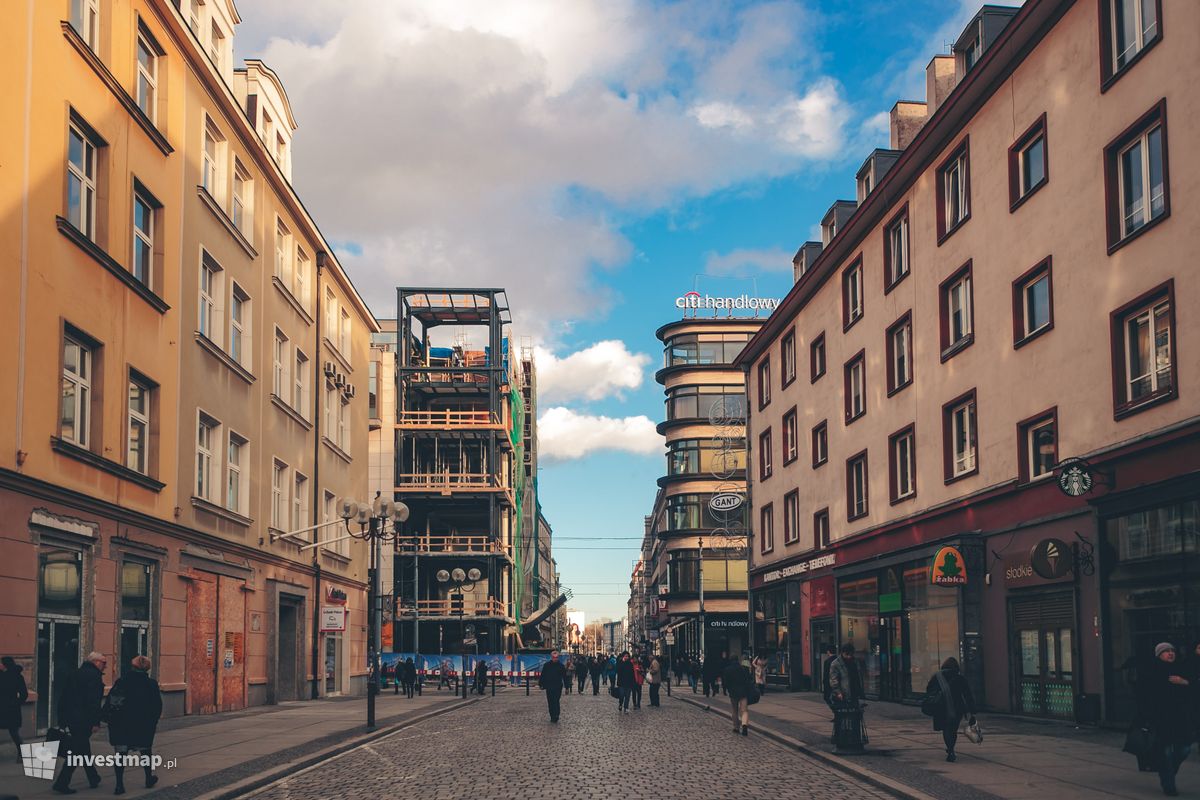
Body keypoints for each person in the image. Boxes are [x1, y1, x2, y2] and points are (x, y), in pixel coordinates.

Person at [1139, 642, 1192, 796]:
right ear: (1159, 655)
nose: (1170, 653)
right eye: (1166, 651)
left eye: (1172, 650)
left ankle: (1168, 772)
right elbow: (1144, 697)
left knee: (1184, 749)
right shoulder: (1151, 672)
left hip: (1180, 718)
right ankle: (1168, 784)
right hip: (1161, 720)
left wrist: (1184, 682)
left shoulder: (1181, 670)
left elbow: (1193, 691)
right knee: (1166, 753)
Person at [104, 655, 162, 794]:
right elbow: (157, 706)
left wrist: (108, 718)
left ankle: (119, 785)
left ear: (132, 666)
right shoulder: (151, 684)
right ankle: (148, 778)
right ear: (147, 668)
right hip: (143, 725)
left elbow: (112, 702)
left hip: (122, 724)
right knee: (146, 752)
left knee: (120, 754)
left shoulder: (122, 682)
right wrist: (153, 721)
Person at [52, 651, 107, 793]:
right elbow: (93, 702)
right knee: (77, 751)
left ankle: (93, 777)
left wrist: (62, 719)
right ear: (96, 662)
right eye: (104, 663)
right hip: (84, 720)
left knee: (83, 748)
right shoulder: (94, 677)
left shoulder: (75, 673)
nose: (105, 666)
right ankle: (62, 783)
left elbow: (64, 698)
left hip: (71, 718)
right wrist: (96, 722)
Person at [925, 657, 976, 762]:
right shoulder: (959, 678)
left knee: (946, 729)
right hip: (957, 708)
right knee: (953, 729)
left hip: (941, 707)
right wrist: (972, 710)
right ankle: (951, 748)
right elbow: (967, 695)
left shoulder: (937, 677)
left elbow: (929, 690)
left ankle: (950, 749)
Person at [0, 656, 28, 762]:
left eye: (1, 663)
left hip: (6, 708)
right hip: (11, 709)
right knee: (14, 733)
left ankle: (22, 754)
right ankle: (22, 755)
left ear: (5, 664)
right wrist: (16, 703)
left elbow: (23, 694)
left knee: (14, 733)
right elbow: (24, 695)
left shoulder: (5, 676)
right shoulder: (17, 676)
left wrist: (14, 704)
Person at [722, 656, 753, 736]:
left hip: (733, 692)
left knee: (734, 710)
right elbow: (748, 679)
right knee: (744, 710)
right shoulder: (743, 668)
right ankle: (744, 725)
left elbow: (725, 682)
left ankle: (736, 727)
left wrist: (727, 690)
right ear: (738, 660)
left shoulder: (727, 669)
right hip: (743, 692)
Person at [538, 650, 567, 723]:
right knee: (550, 702)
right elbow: (543, 675)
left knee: (556, 701)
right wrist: (541, 684)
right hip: (549, 686)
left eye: (556, 657)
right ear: (551, 657)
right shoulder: (547, 665)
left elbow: (565, 677)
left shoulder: (561, 666)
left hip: (557, 686)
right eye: (554, 657)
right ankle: (552, 715)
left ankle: (556, 715)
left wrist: (567, 687)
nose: (555, 659)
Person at [821, 644, 838, 712]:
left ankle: (835, 712)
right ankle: (837, 713)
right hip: (837, 682)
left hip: (829, 683)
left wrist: (824, 682)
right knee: (836, 699)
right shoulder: (838, 660)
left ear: (828, 652)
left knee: (827, 698)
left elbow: (826, 674)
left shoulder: (827, 661)